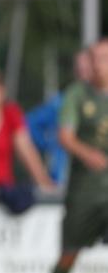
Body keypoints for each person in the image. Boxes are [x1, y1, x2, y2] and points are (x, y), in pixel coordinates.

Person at [40, 39, 108, 273]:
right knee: (69, 254)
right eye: (94, 58)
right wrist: (88, 154)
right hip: (85, 192)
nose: (97, 64)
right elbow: (65, 136)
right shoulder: (78, 95)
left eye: (103, 58)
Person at [26, 50, 94, 185]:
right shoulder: (61, 102)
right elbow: (26, 125)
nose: (82, 74)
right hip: (65, 181)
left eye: (86, 69)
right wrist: (50, 142)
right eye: (79, 70)